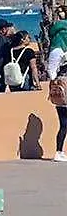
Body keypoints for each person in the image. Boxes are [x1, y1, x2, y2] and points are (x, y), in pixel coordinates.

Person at [47, 23, 67, 162]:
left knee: (64, 123)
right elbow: (52, 70)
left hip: (62, 88)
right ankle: (59, 152)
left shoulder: (56, 46)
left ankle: (59, 152)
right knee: (64, 123)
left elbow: (52, 70)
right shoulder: (58, 49)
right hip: (64, 88)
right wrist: (58, 83)